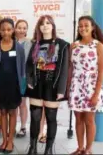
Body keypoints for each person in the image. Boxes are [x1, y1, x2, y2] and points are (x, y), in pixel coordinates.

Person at [25, 15, 69, 155]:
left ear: (53, 26)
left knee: (51, 117)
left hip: (53, 85)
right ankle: (33, 148)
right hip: (37, 84)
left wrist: (61, 89)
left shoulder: (62, 45)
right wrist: (30, 81)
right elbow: (29, 65)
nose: (45, 26)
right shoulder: (35, 44)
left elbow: (64, 69)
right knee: (35, 117)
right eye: (42, 24)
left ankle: (49, 149)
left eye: (48, 23)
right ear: (39, 27)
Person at [68, 16, 103, 155]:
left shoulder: (99, 46)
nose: (83, 28)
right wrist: (68, 89)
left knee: (89, 120)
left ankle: (88, 149)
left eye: (86, 25)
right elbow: (70, 68)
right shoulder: (74, 45)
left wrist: (96, 94)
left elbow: (101, 71)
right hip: (76, 86)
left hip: (91, 87)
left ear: (92, 27)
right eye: (80, 26)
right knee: (78, 119)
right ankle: (80, 148)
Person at [0, 18, 25, 154]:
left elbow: (22, 69)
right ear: (0, 30)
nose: (6, 32)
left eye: (9, 29)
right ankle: (4, 140)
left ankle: (10, 141)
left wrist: (21, 86)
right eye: (3, 29)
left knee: (12, 112)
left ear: (13, 30)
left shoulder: (19, 47)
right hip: (1, 85)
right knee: (2, 113)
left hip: (14, 86)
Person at [14, 19, 32, 138]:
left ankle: (23, 127)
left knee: (22, 104)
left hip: (23, 77)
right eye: (19, 27)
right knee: (13, 104)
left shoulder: (30, 43)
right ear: (15, 28)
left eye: (24, 28)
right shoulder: (9, 42)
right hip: (10, 78)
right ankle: (12, 126)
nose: (21, 30)